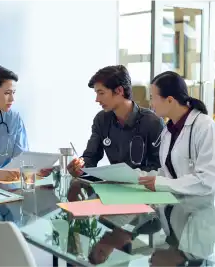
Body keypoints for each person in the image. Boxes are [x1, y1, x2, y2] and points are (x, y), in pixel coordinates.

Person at [67, 65, 164, 201]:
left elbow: (160, 167)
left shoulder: (153, 122)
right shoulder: (102, 120)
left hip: (146, 196)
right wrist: (80, 168)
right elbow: (90, 157)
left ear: (119, 91)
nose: (97, 99)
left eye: (101, 93)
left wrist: (131, 177)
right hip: (114, 193)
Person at [138, 71, 215, 196]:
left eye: (153, 98)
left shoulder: (207, 128)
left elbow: (209, 181)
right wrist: (142, 178)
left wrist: (161, 184)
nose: (151, 104)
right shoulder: (168, 130)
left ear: (170, 100)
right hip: (178, 204)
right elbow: (167, 174)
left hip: (205, 207)